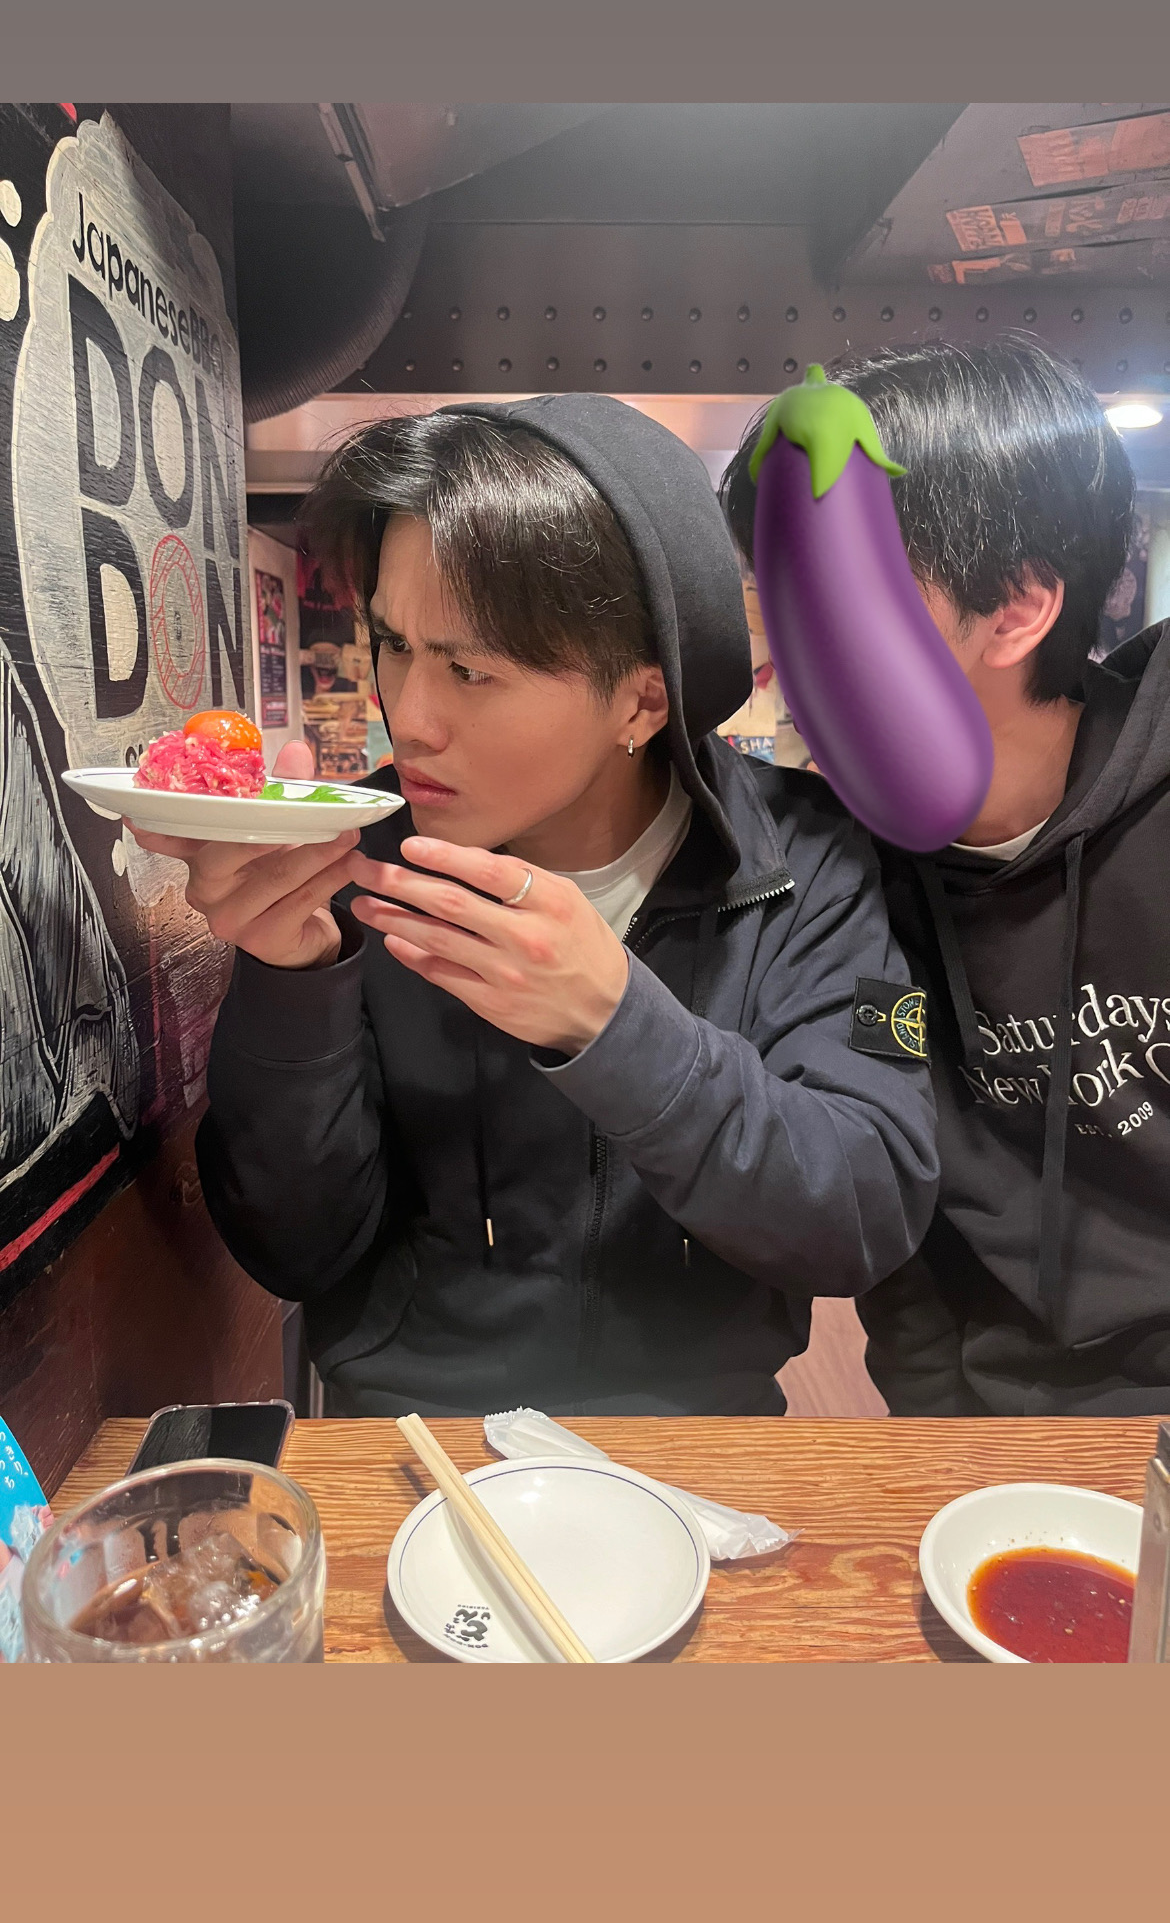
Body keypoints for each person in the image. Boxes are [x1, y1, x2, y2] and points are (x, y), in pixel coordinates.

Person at [135, 397, 937, 1418]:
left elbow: (866, 1210)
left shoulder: (799, 860)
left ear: (644, 699)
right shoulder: (357, 865)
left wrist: (615, 1024)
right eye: (393, 643)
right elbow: (295, 1251)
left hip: (698, 1444)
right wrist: (295, 984)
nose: (408, 716)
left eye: (470, 669)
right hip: (414, 1438)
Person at [721, 336, 1170, 1415]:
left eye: (836, 600)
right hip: (992, 1418)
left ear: (1016, 607)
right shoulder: (842, 871)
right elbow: (897, 1179)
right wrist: (940, 1415)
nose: (788, 667)